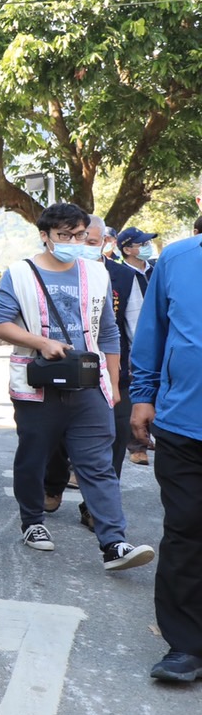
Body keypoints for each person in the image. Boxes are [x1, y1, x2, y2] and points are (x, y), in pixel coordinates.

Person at [0, 203, 155, 572]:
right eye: (64, 235)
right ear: (45, 236)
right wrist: (41, 342)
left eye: (79, 235)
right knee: (34, 457)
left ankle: (114, 543)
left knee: (98, 464)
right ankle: (32, 521)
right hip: (38, 384)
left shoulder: (96, 274)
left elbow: (108, 332)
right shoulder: (20, 273)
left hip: (89, 384)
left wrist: (113, 383)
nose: (73, 242)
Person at [130, 230, 202, 681]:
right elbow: (152, 333)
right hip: (182, 424)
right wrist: (142, 395)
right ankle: (185, 646)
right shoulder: (177, 259)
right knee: (185, 529)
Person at [117, 227, 158, 464]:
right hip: (132, 343)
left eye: (147, 243)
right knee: (136, 392)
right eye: (141, 244)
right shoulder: (122, 275)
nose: (146, 247)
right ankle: (137, 445)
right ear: (127, 249)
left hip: (160, 336)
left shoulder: (157, 270)